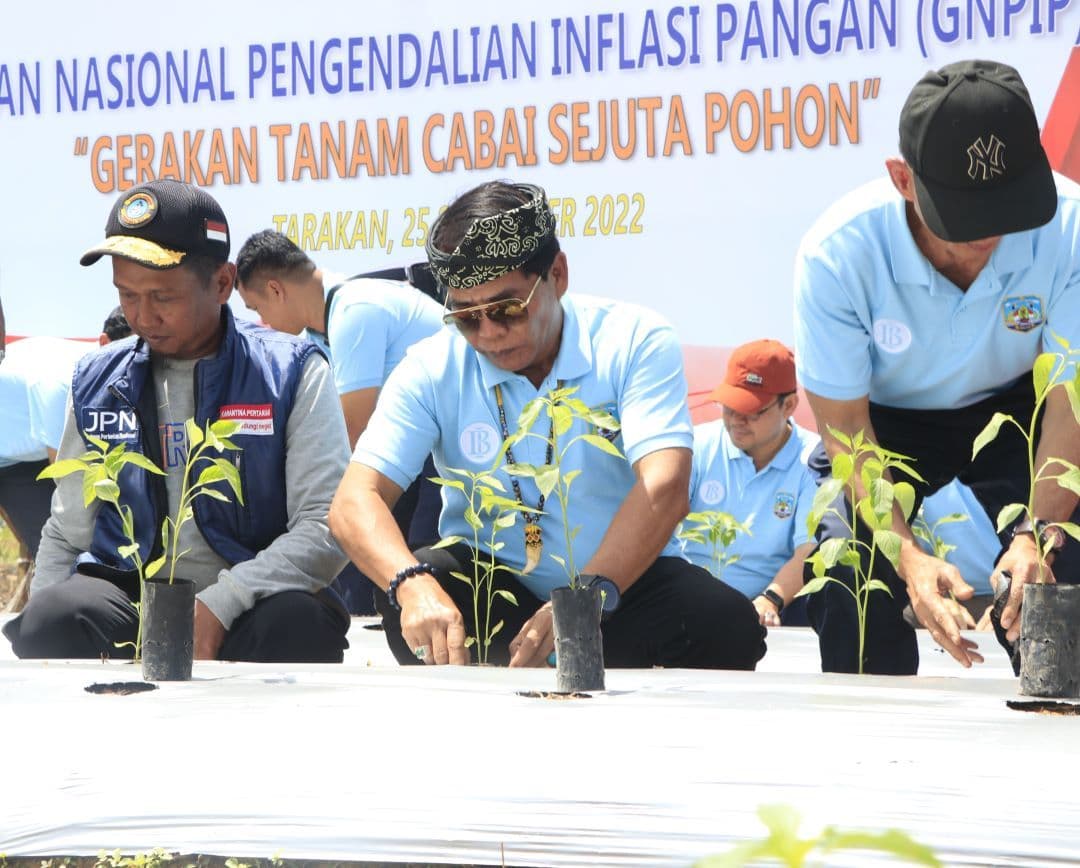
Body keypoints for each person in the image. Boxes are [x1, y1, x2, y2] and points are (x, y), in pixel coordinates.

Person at [329, 180, 765, 669]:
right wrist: (409, 583)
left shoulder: (633, 339)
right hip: (496, 590)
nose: (489, 334)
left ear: (557, 274)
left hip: (617, 588)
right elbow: (353, 501)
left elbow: (664, 486)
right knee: (421, 602)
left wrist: (582, 604)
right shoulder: (430, 366)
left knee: (723, 624)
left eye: (507, 310)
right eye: (467, 318)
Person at [793, 59, 1080, 675]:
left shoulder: (1071, 225)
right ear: (902, 179)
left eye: (1008, 209)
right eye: (965, 218)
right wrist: (911, 560)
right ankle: (872, 746)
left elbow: (1068, 402)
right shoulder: (838, 254)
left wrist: (1036, 536)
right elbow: (846, 430)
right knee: (851, 567)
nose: (992, 235)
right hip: (887, 422)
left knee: (1066, 558)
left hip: (1018, 406)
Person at [3, 179, 351, 663]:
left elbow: (325, 527)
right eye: (127, 295)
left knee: (297, 624)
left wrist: (220, 604)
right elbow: (68, 531)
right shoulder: (96, 379)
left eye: (163, 297)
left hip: (250, 598)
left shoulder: (291, 371)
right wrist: (38, 632)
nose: (143, 316)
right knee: (49, 620)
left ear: (223, 284)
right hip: (128, 595)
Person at [234, 230, 444, 613]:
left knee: (402, 552)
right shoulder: (326, 326)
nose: (261, 323)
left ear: (276, 290)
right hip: (421, 451)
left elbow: (352, 433)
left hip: (444, 454)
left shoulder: (355, 311)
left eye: (257, 309)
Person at [682, 340, 818, 628]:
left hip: (770, 604)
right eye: (729, 407)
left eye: (751, 411)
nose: (736, 420)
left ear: (789, 405)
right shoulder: (695, 446)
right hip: (687, 597)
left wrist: (770, 600)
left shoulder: (813, 460)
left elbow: (808, 551)